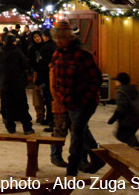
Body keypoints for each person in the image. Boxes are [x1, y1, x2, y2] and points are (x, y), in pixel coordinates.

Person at [51, 20, 104, 177]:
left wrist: (86, 97)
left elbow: (96, 79)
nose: (59, 41)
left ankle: (72, 169)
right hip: (69, 101)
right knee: (81, 130)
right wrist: (61, 96)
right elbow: (57, 78)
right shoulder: (57, 55)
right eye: (57, 37)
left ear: (69, 37)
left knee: (77, 133)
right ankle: (98, 157)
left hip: (85, 102)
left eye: (62, 37)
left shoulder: (82, 56)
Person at [0, 33, 34, 135]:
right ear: (14, 42)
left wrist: (1, 78)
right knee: (22, 105)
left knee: (7, 106)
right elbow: (25, 65)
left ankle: (10, 126)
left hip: (5, 84)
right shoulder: (17, 52)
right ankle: (27, 127)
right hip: (17, 83)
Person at [108, 72, 139, 147]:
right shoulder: (133, 90)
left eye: (116, 81)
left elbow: (122, 107)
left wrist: (113, 118)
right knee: (129, 134)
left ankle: (134, 145)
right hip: (136, 119)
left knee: (121, 135)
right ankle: (134, 145)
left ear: (119, 82)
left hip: (127, 120)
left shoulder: (121, 92)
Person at [28, 31, 49, 125]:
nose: (37, 38)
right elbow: (31, 62)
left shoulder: (46, 47)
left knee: (47, 96)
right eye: (35, 37)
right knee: (38, 97)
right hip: (37, 74)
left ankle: (49, 116)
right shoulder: (31, 49)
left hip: (46, 74)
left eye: (38, 36)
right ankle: (40, 115)